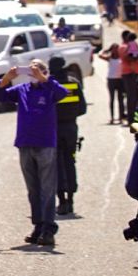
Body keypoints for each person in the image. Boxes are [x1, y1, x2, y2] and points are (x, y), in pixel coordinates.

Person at [0, 59, 67, 247]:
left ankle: (49, 228)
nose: (35, 72)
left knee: (47, 189)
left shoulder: (50, 89)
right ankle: (38, 225)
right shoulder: (23, 90)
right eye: (32, 69)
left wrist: (44, 79)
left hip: (45, 145)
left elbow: (61, 93)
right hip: (26, 144)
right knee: (33, 189)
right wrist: (7, 78)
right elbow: (0, 95)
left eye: (39, 69)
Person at [48, 55, 86, 215]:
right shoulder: (74, 83)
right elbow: (83, 109)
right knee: (70, 162)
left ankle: (61, 200)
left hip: (53, 130)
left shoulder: (49, 85)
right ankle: (71, 199)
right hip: (71, 129)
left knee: (55, 165)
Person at [99, 43, 125, 123]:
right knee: (112, 99)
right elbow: (100, 55)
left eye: (116, 49)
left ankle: (121, 117)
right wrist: (106, 50)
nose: (115, 50)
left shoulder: (122, 58)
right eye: (113, 49)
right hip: (111, 80)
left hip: (120, 80)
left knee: (121, 99)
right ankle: (112, 117)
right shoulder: (109, 58)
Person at [118, 30, 138, 127]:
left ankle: (134, 119)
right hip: (129, 73)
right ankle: (132, 120)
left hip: (133, 73)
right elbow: (128, 58)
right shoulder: (124, 47)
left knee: (134, 98)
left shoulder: (130, 46)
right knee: (132, 97)